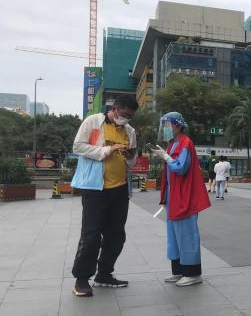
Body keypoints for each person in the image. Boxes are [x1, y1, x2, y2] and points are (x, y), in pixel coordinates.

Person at [70, 95, 139, 297]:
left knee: (116, 235)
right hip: (95, 188)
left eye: (130, 116)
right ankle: (81, 280)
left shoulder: (130, 131)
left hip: (120, 189)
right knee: (91, 234)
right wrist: (108, 149)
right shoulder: (93, 122)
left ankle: (104, 274)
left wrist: (129, 156)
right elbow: (78, 147)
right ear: (115, 108)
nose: (126, 119)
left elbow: (132, 161)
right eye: (124, 115)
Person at [151, 112, 211, 286]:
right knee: (174, 235)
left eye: (167, 125)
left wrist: (166, 157)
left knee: (186, 234)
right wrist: (165, 155)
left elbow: (181, 167)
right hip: (173, 195)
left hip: (184, 195)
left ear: (177, 125)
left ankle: (192, 273)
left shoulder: (185, 142)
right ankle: (178, 271)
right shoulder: (173, 144)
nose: (165, 129)